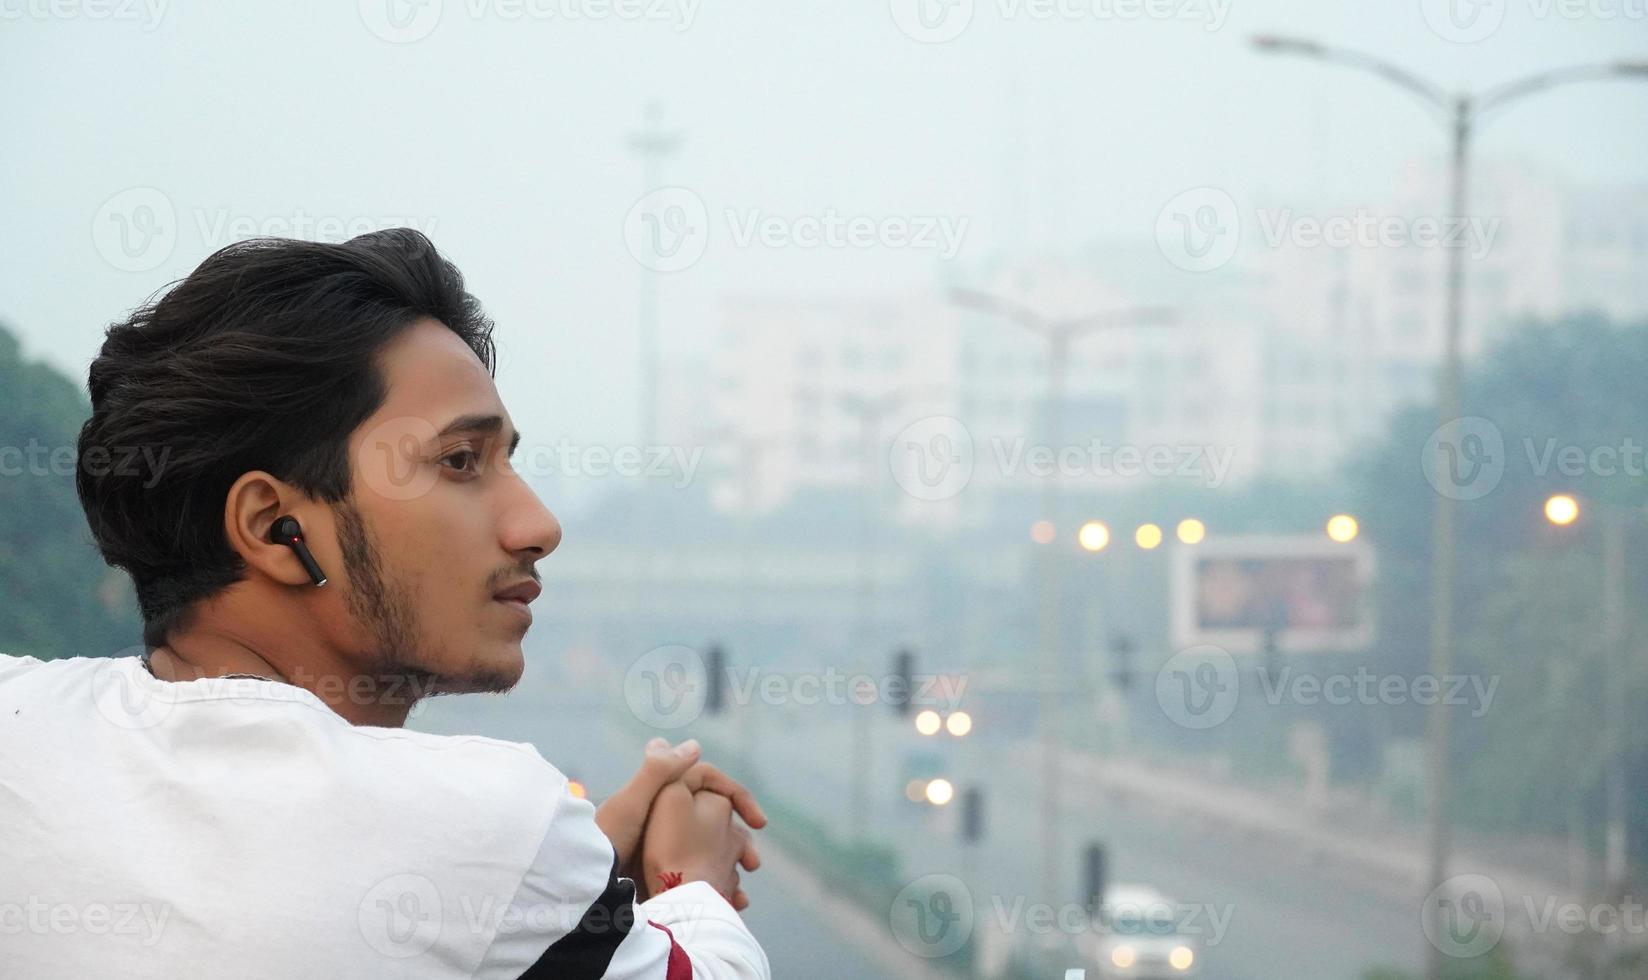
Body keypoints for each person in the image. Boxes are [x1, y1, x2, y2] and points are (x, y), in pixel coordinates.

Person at [0, 229, 770, 979]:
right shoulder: (496, 821)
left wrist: (549, 899)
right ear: (275, 528)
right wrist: (691, 882)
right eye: (461, 461)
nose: (539, 526)